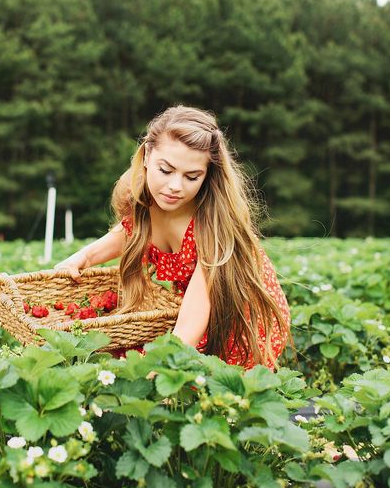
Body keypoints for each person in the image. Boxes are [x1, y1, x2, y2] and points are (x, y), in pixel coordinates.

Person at [55, 105, 291, 370]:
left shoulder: (212, 229)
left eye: (192, 176)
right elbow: (128, 232)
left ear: (207, 175)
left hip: (237, 315)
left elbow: (193, 318)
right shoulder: (143, 199)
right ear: (146, 156)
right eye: (165, 170)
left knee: (202, 380)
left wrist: (160, 366)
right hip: (194, 310)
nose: (175, 186)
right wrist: (82, 258)